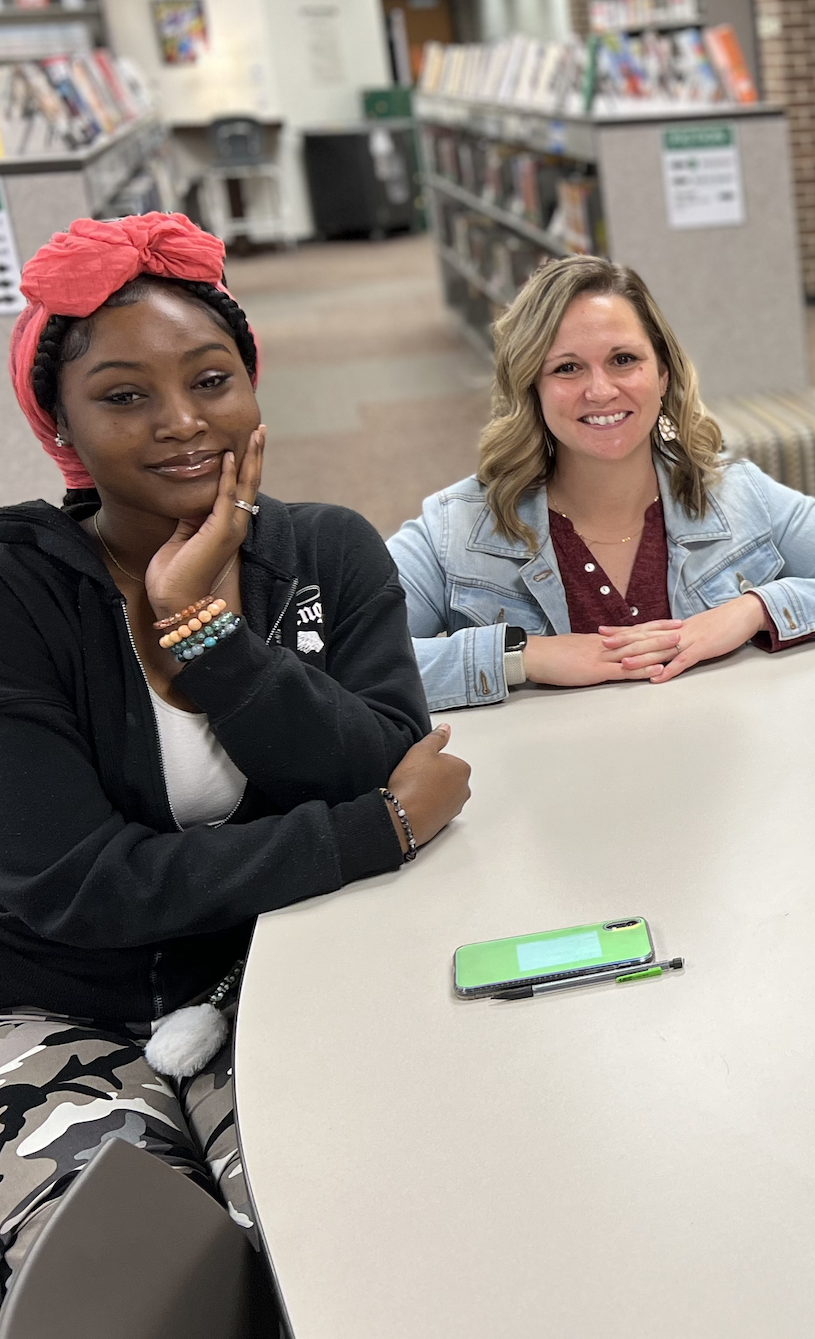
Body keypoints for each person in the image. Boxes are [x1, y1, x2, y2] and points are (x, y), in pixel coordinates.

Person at [0, 213, 471, 1297]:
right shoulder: (19, 592)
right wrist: (373, 831)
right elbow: (74, 883)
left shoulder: (327, 553)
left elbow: (376, 753)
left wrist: (205, 635)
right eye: (123, 395)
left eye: (211, 380)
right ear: (59, 422)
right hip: (54, 996)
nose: (181, 424)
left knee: (352, 1245)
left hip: (275, 969)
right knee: (125, 1283)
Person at [388, 255, 815, 709]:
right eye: (567, 368)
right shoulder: (455, 526)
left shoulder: (737, 495)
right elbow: (340, 660)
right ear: (532, 390)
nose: (600, 389)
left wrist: (758, 610)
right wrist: (522, 656)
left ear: (662, 375)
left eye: (623, 360)